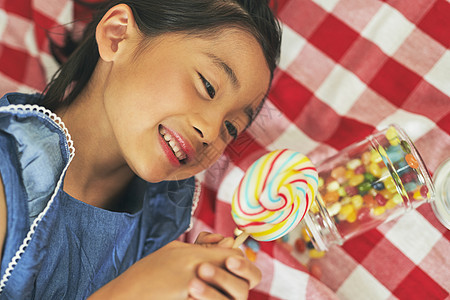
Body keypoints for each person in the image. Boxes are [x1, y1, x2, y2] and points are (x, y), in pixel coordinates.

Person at [0, 0, 281, 298]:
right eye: (207, 86)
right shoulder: (10, 174)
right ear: (118, 35)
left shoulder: (158, 225)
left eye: (232, 128)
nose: (211, 132)